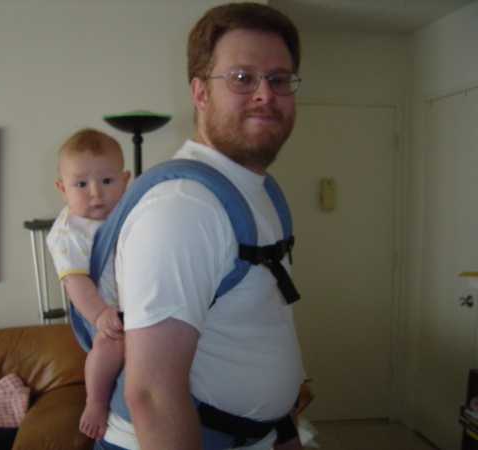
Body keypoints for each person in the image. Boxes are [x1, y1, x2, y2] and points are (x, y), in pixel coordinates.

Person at [95, 2, 306, 450]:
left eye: (279, 79)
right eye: (242, 77)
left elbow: (266, 326)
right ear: (201, 93)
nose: (265, 94)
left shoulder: (260, 190)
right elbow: (152, 396)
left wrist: (286, 433)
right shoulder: (183, 207)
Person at [47, 128, 130, 440]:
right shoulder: (70, 230)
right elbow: (75, 281)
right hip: (97, 307)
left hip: (129, 306)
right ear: (62, 189)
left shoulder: (124, 213)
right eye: (81, 184)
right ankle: (95, 402)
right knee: (110, 344)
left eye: (106, 181)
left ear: (125, 180)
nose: (95, 192)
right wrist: (100, 315)